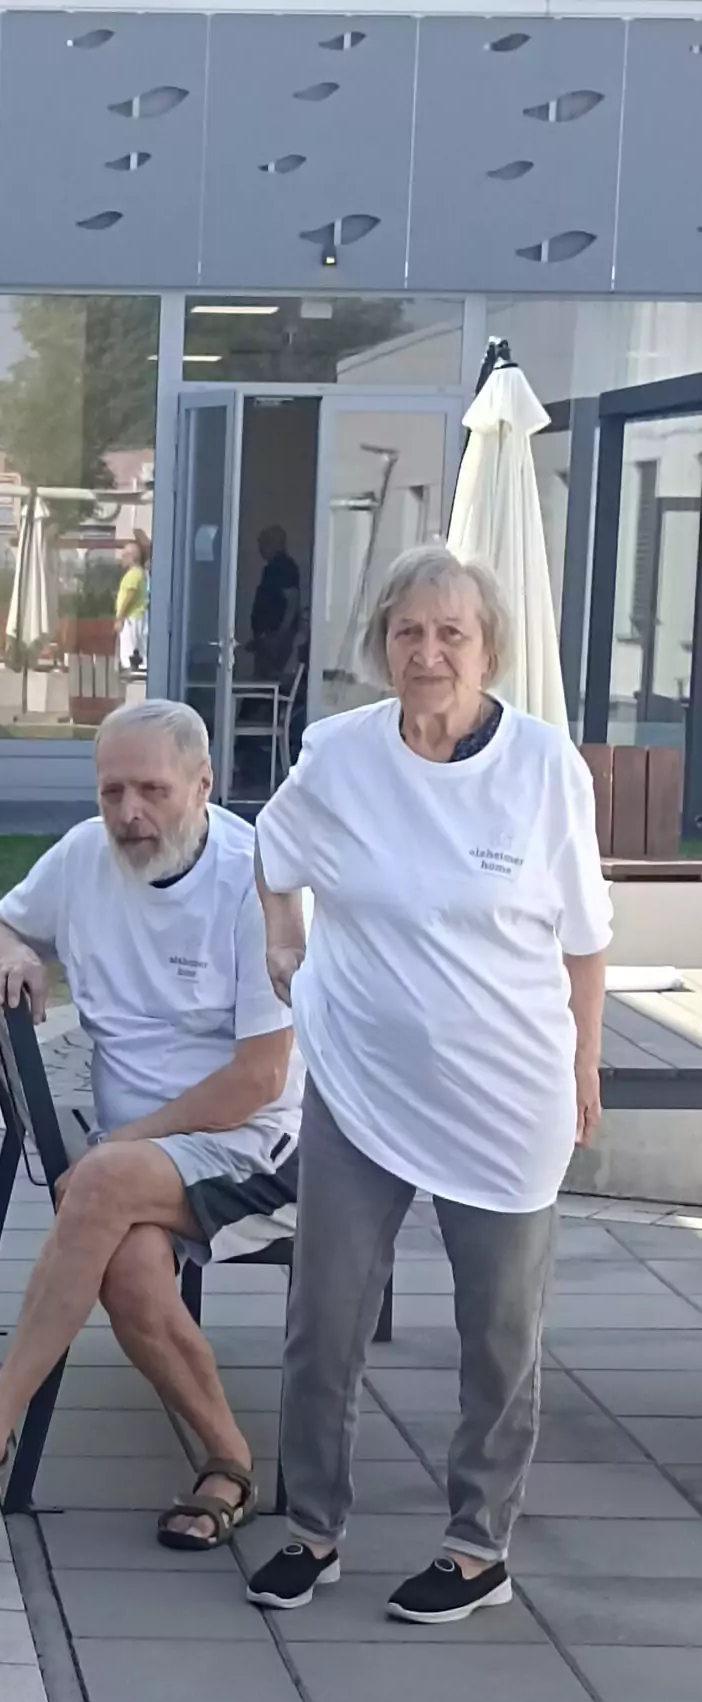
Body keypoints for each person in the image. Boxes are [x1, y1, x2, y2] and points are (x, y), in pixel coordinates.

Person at [249, 546, 611, 1623]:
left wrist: (584, 1062)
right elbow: (274, 850)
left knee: (497, 1332)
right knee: (323, 1316)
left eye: (452, 633)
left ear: (488, 649)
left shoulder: (542, 767)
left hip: (505, 1093)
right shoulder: (339, 755)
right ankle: (312, 1529)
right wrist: (282, 943)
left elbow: (585, 940)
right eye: (407, 631)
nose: (428, 652)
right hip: (360, 1081)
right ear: (381, 645)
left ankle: (475, 1545)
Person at [0, 699, 301, 1547]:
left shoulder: (255, 884)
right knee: (129, 1267)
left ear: (204, 785)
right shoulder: (82, 857)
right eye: (111, 792)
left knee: (99, 1185)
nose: (129, 813)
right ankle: (230, 1462)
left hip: (258, 1147)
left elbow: (261, 1078)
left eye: (152, 791)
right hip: (142, 1159)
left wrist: (115, 1148)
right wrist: (11, 951)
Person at [248, 524, 303, 679]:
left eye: (263, 542)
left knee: (269, 681)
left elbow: (292, 601)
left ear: (274, 544)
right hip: (268, 637)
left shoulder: (282, 567)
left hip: (274, 638)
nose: (260, 547)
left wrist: (280, 635)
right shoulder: (273, 567)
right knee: (263, 680)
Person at [116, 533, 151, 674]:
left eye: (124, 555)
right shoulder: (142, 574)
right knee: (140, 648)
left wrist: (120, 617)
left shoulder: (132, 575)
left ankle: (130, 673)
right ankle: (141, 670)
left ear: (132, 557)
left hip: (130, 617)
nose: (122, 558)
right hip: (139, 615)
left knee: (128, 648)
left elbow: (129, 595)